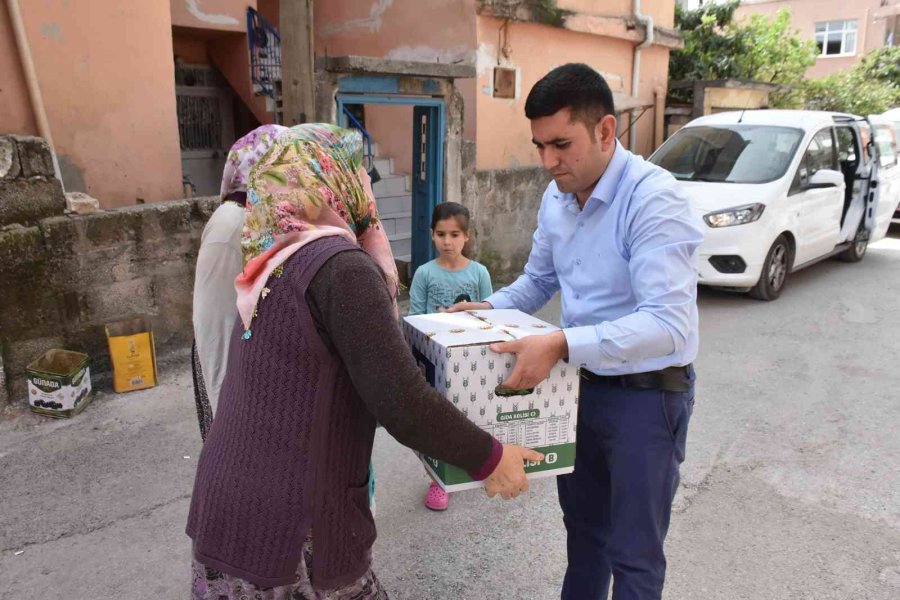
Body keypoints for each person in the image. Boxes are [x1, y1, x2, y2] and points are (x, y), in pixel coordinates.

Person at [186, 123, 542, 599]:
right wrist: (491, 458)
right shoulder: (341, 268)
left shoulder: (274, 260)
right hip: (291, 527)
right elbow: (400, 399)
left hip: (228, 514)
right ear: (340, 181)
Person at [450, 63, 704, 600]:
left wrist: (561, 343)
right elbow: (539, 279)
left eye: (561, 144)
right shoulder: (558, 197)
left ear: (605, 131)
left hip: (646, 399)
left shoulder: (653, 199)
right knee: (584, 538)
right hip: (578, 391)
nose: (548, 162)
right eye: (540, 146)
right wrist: (486, 308)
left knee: (634, 556)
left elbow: (666, 323)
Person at [191, 124, 287, 440]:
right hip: (237, 387)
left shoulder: (270, 219)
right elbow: (214, 326)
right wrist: (230, 421)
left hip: (262, 375)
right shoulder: (231, 224)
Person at [408, 202, 493, 511]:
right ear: (432, 234)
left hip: (471, 359)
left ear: (466, 236)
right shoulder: (424, 273)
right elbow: (414, 319)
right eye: (441, 234)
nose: (448, 241)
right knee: (437, 421)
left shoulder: (479, 273)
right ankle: (439, 479)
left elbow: (490, 318)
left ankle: (477, 465)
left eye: (455, 234)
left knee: (472, 415)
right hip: (434, 362)